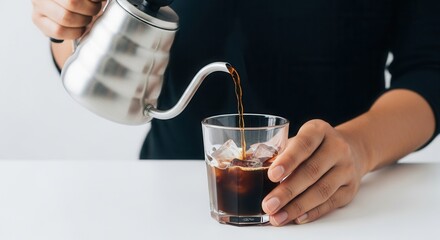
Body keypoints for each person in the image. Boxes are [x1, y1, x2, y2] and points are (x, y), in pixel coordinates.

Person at [32, 0, 439, 226]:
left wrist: (359, 148)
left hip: (344, 211)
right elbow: (79, 49)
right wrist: (67, 21)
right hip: (165, 206)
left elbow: (429, 71)